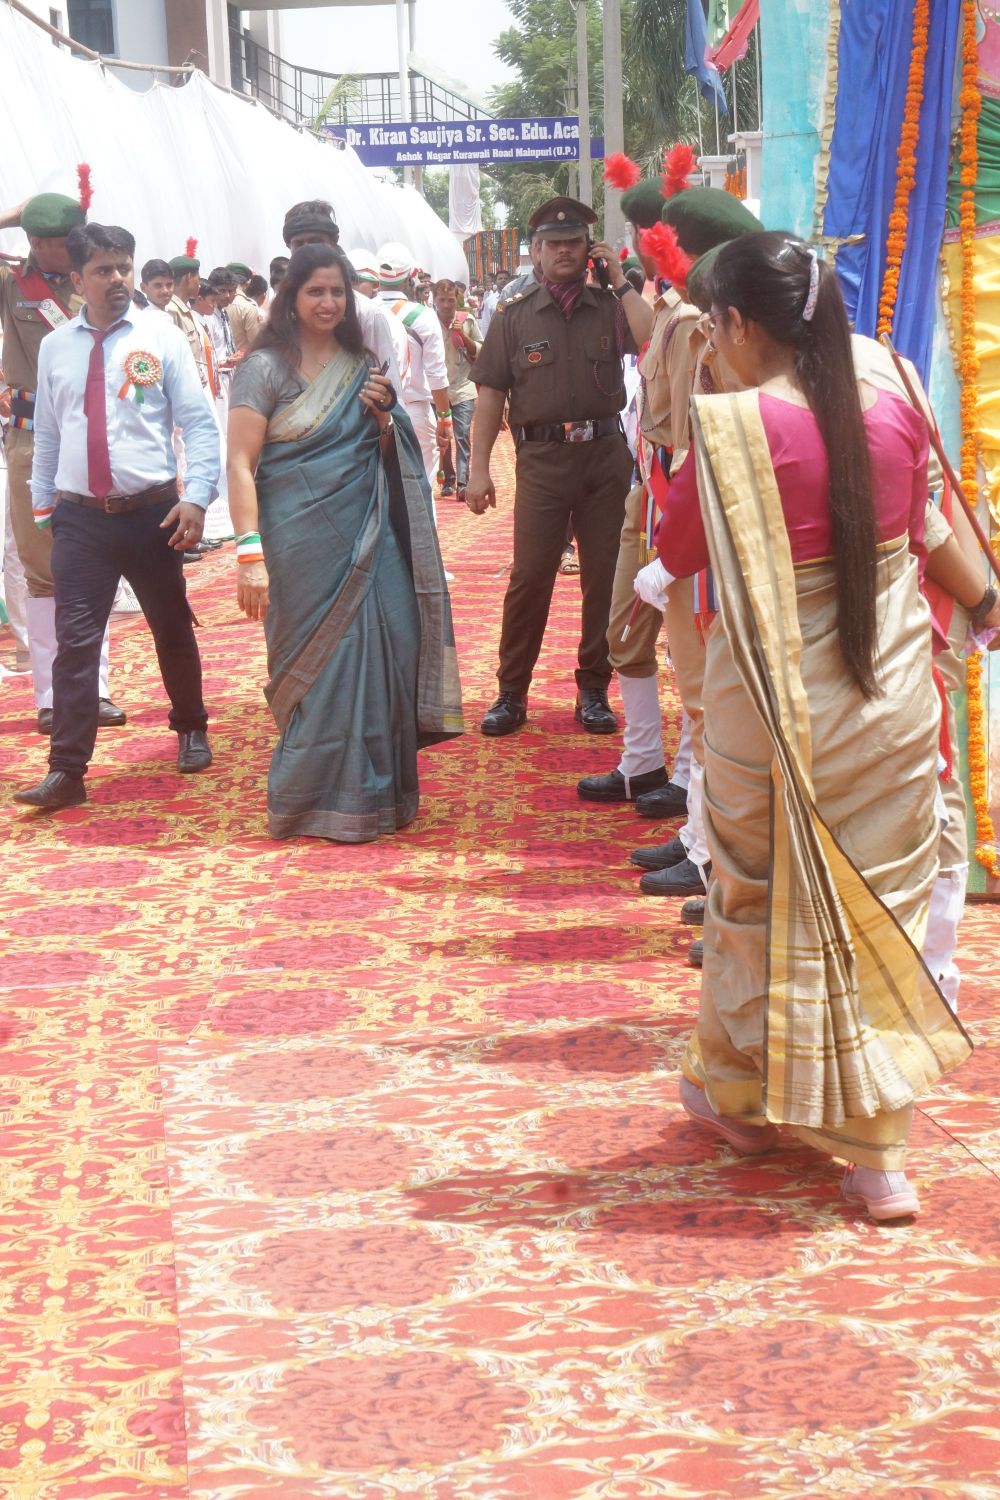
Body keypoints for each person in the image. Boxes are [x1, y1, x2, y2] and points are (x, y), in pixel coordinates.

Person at [658, 230, 972, 1221]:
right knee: (882, 909)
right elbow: (923, 528)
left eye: (716, 328)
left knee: (754, 898)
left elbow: (675, 541)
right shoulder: (897, 394)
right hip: (889, 704)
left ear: (739, 324)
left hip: (770, 710)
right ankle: (879, 1161)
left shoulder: (732, 430)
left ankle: (741, 1101)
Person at [226, 243, 463, 843]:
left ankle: (377, 795)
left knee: (393, 644)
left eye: (337, 291)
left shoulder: (362, 363)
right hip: (297, 543)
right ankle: (311, 800)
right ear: (291, 298)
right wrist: (248, 553)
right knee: (316, 667)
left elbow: (387, 452)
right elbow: (240, 463)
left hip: (369, 535)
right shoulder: (264, 368)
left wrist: (385, 422)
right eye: (315, 291)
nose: (328, 302)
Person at [13, 223, 219, 810]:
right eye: (103, 270)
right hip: (80, 519)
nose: (118, 279)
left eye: (124, 267)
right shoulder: (57, 347)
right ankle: (67, 770)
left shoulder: (160, 337)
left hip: (153, 513)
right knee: (76, 643)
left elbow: (198, 424)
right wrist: (45, 504)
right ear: (78, 279)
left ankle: (190, 726)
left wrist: (196, 497)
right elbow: (49, 433)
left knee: (170, 625)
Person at [467, 196, 652, 736]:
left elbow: (650, 340)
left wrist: (621, 283)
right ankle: (511, 692)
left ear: (589, 248)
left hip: (604, 458)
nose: (564, 251)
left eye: (574, 242)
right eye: (553, 244)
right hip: (543, 462)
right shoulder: (513, 314)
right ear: (536, 252)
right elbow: (489, 395)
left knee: (604, 577)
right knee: (530, 577)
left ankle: (593, 688)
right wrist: (478, 469)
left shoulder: (610, 306)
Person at [576, 172, 702, 812]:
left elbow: (690, 432)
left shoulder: (692, 319)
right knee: (624, 629)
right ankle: (643, 762)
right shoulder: (667, 308)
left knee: (691, 646)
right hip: (646, 490)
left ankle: (688, 776)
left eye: (638, 230)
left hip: (676, 496)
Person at [0, 187, 125, 734]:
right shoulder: (11, 285)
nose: (45, 248)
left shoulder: (97, 280)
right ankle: (52, 696)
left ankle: (94, 689)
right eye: (37, 238)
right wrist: (11, 214)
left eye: (55, 239)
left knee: (92, 565)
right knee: (42, 571)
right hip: (33, 441)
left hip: (93, 435)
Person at [281, 202, 403, 401]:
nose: (307, 252)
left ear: (333, 242)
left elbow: (392, 396)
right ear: (289, 247)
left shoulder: (365, 314)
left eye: (316, 242)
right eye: (299, 244)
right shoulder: (281, 315)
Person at [375, 243, 453, 492]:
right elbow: (436, 374)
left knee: (380, 493)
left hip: (371, 414)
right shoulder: (423, 315)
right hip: (414, 412)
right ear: (411, 276)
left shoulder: (364, 311)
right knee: (421, 492)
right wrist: (445, 419)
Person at [433, 279, 482, 498]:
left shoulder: (467, 320)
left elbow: (481, 350)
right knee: (443, 436)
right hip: (437, 390)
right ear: (434, 300)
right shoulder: (426, 323)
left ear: (457, 300)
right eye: (442, 300)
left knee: (462, 435)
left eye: (450, 300)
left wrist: (463, 335)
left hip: (463, 388)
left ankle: (463, 483)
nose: (446, 305)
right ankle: (448, 480)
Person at [167, 246, 207, 378]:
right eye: (198, 279)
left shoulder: (184, 308)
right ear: (189, 277)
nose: (199, 284)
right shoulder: (171, 310)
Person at [225, 262, 263, 354]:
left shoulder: (216, 303)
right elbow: (256, 342)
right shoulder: (248, 307)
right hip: (244, 360)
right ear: (247, 284)